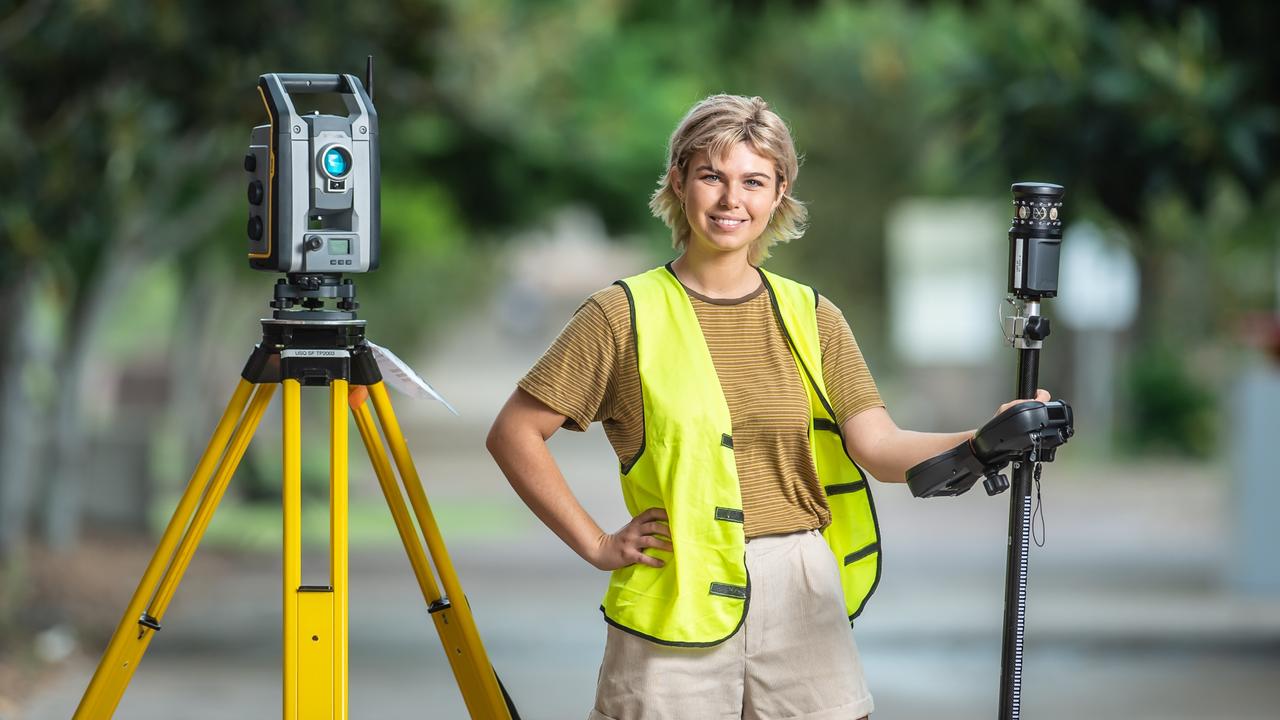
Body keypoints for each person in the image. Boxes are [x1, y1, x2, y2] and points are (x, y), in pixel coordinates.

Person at [486, 94, 1048, 720]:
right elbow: (514, 433)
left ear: (778, 194)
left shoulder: (813, 316)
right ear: (679, 182)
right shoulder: (621, 314)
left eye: (753, 181)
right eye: (711, 176)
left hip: (801, 588)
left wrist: (988, 434)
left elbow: (880, 448)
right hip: (675, 592)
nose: (732, 201)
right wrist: (595, 543)